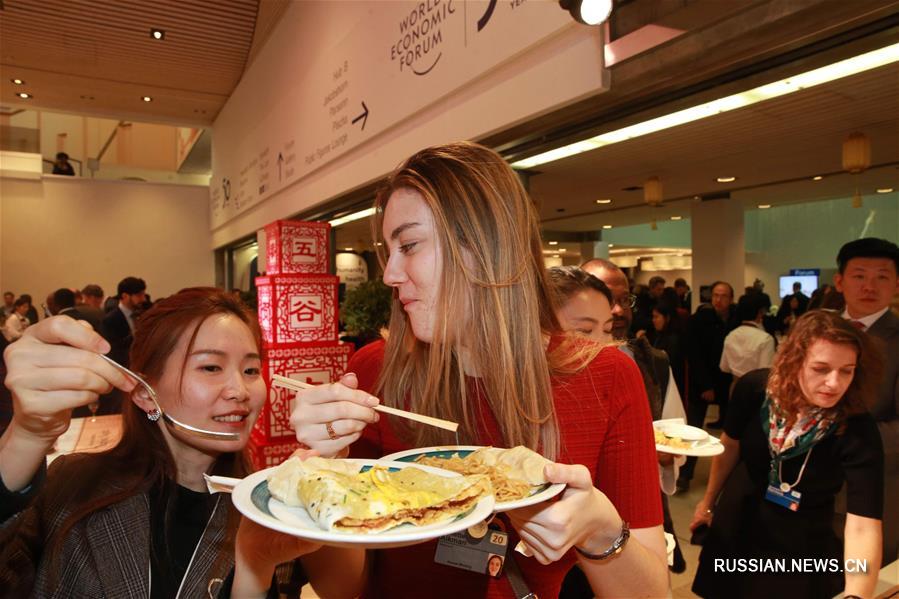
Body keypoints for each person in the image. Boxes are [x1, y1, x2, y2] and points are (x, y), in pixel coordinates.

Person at [288, 142, 668, 598]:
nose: (389, 273)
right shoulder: (374, 373)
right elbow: (343, 589)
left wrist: (601, 531)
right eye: (388, 249)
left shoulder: (604, 376)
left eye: (408, 245)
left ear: (486, 246)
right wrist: (325, 470)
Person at [0, 287, 355, 597]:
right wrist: (26, 435)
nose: (239, 391)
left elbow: (346, 588)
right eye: (211, 368)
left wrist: (328, 468)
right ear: (144, 392)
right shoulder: (72, 485)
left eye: (250, 370)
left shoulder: (265, 504)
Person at [689, 311, 883, 598]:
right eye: (821, 368)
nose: (834, 382)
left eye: (846, 370)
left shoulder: (856, 426)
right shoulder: (755, 388)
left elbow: (863, 526)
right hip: (739, 522)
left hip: (801, 543)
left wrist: (858, 594)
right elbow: (729, 447)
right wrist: (707, 503)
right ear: (795, 361)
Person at [834, 237, 899, 565]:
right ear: (840, 281)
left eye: (882, 276)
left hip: (875, 489)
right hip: (807, 489)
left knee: (866, 575)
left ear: (897, 283)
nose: (869, 285)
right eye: (859, 275)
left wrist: (835, 437)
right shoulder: (817, 328)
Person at [678, 281, 737, 491]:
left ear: (731, 299)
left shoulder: (736, 320)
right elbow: (694, 355)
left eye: (723, 296)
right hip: (703, 383)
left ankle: (726, 476)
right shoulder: (699, 320)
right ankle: (685, 474)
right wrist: (705, 385)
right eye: (715, 295)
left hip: (727, 383)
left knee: (732, 433)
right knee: (694, 428)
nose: (718, 300)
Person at [719, 292, 776, 382]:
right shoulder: (765, 339)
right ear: (760, 312)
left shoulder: (731, 335)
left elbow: (724, 367)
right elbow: (765, 373)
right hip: (755, 389)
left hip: (735, 387)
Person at [101, 276, 147, 368]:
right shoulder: (110, 320)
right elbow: (113, 352)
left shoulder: (144, 314)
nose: (143, 299)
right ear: (125, 296)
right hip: (126, 369)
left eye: (143, 294)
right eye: (139, 295)